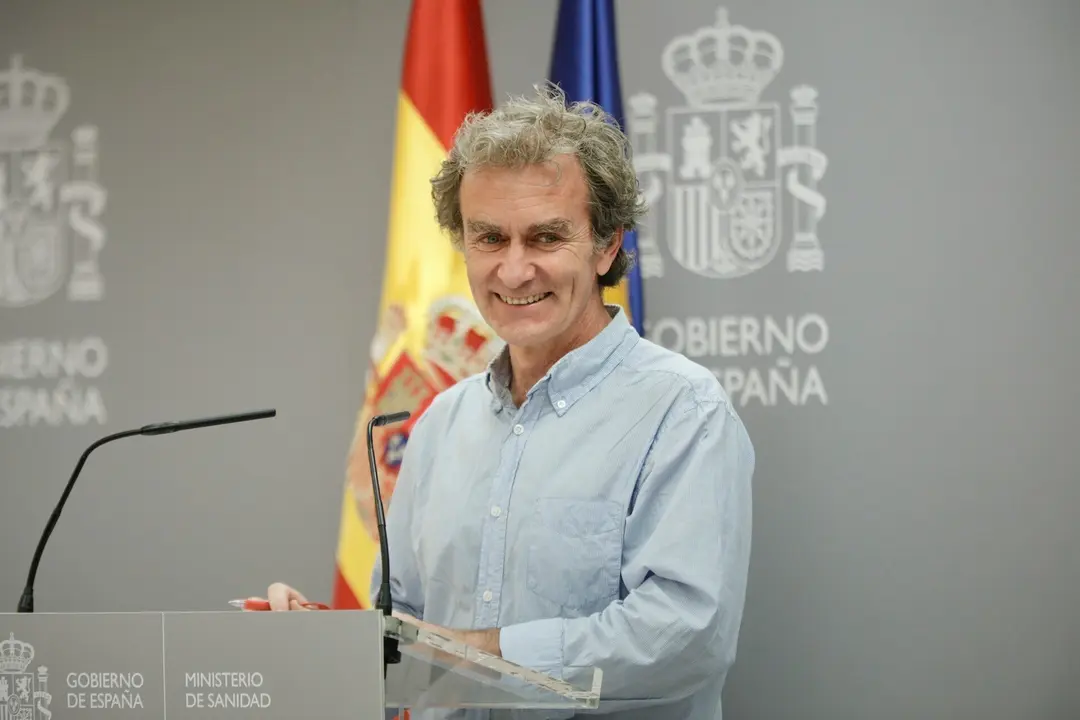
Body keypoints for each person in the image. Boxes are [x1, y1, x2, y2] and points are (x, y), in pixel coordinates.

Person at [264, 84, 755, 720]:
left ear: (607, 245)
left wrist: (474, 656)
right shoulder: (439, 423)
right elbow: (408, 633)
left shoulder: (683, 411)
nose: (514, 271)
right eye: (489, 238)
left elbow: (687, 637)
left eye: (546, 238)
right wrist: (328, 640)